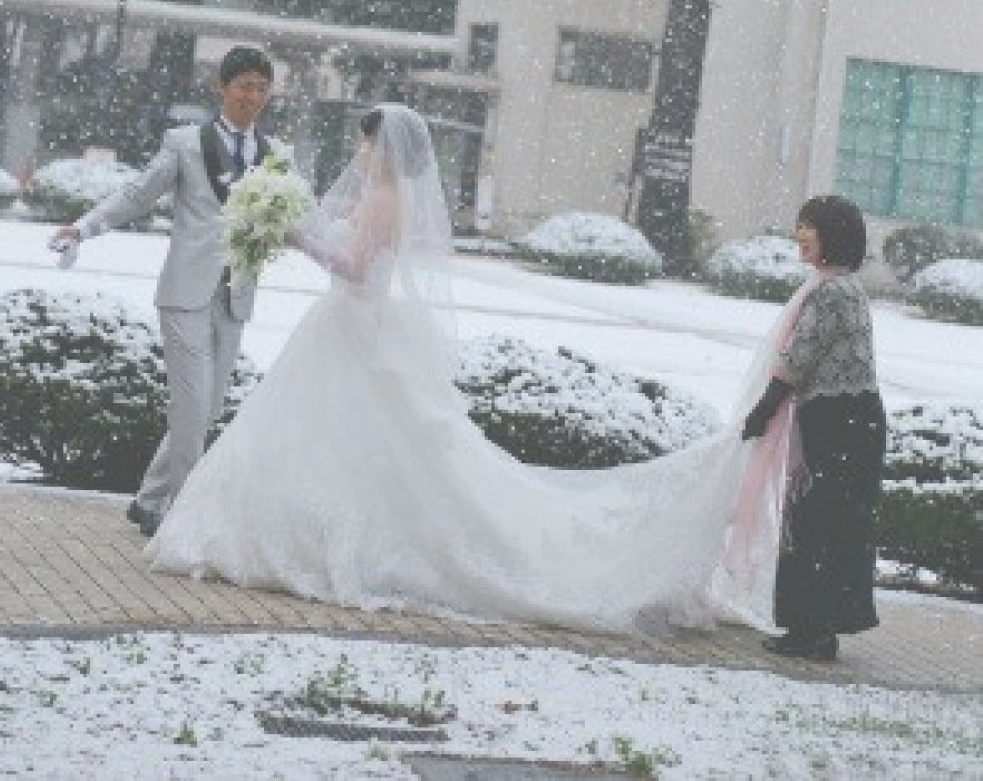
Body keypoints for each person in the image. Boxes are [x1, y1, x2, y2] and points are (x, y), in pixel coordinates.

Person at [146, 102, 782, 636]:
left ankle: (324, 543)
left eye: (366, 142)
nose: (359, 152)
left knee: (352, 441)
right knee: (352, 444)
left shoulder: (387, 198)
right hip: (354, 327)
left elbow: (357, 268)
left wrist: (296, 237)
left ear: (383, 147)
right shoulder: (382, 192)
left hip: (357, 322)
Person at [53, 45, 277, 538]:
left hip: (235, 296)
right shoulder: (186, 143)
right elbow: (137, 194)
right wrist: (85, 228)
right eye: (244, 85)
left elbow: (291, 221)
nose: (253, 96)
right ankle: (184, 517)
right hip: (184, 292)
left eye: (262, 88)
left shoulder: (273, 156)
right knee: (192, 408)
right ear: (221, 87)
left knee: (208, 410)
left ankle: (148, 501)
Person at [740, 194, 886, 662]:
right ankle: (815, 626)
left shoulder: (833, 291)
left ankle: (812, 630)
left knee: (817, 523)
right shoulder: (836, 286)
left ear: (833, 236)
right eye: (800, 224)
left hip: (841, 419)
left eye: (810, 226)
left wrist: (765, 406)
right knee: (830, 523)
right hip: (846, 417)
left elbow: (801, 355)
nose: (799, 234)